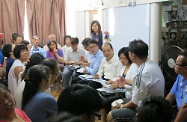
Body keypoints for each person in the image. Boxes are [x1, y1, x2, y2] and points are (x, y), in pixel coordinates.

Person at [107, 39, 165, 122]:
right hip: (151, 103)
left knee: (110, 115)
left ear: (132, 56)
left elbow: (135, 102)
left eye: (129, 52)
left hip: (148, 110)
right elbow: (140, 84)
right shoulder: (150, 64)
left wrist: (122, 107)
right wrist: (125, 81)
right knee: (115, 103)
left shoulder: (144, 72)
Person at [99, 47, 138, 122]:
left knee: (110, 103)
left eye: (123, 58)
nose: (121, 61)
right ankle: (103, 119)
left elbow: (134, 85)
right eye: (120, 58)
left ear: (129, 57)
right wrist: (112, 82)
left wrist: (121, 85)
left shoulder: (134, 68)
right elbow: (119, 79)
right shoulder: (124, 68)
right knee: (102, 98)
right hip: (121, 91)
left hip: (127, 94)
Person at [166, 49, 187, 122]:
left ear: (185, 69)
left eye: (177, 64)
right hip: (178, 112)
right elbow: (171, 96)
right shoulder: (180, 76)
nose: (174, 65)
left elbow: (185, 108)